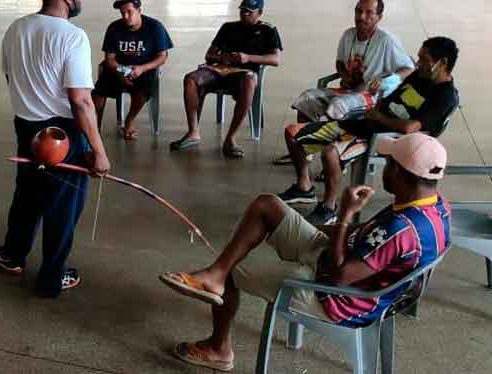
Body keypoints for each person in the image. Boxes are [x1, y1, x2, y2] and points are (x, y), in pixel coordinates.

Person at [159, 133, 451, 372]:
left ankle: (218, 348)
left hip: (338, 296)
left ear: (400, 172)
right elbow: (373, 247)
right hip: (343, 259)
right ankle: (215, 274)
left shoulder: (401, 230)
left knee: (237, 268)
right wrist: (330, 230)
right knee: (267, 206)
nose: (383, 166)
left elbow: (339, 278)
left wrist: (346, 214)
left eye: (388, 162)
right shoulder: (435, 206)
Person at [0, 0, 111, 298]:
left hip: (26, 127)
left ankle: (13, 256)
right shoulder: (73, 37)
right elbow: (81, 101)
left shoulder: (16, 29)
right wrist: (98, 150)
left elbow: (9, 77)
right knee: (62, 206)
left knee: (27, 195)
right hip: (64, 133)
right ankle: (52, 277)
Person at [277, 37, 459, 224]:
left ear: (442, 63)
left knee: (330, 153)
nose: (418, 63)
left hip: (386, 138)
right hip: (365, 124)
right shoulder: (418, 76)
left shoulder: (444, 96)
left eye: (424, 59)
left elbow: (410, 128)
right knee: (293, 133)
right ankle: (304, 187)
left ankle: (329, 208)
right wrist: (374, 105)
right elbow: (389, 98)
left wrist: (379, 117)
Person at [170, 0, 282, 159]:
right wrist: (223, 58)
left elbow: (275, 59)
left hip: (244, 74)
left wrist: (248, 58)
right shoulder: (228, 27)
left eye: (249, 12)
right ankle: (193, 132)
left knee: (250, 82)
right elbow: (209, 54)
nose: (245, 14)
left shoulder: (268, 30)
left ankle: (230, 138)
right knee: (191, 79)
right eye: (242, 11)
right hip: (221, 69)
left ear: (260, 13)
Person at [287, 0, 413, 127]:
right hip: (348, 91)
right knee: (306, 98)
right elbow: (340, 62)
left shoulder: (386, 40)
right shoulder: (348, 35)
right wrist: (344, 75)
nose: (362, 17)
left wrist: (386, 81)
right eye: (358, 11)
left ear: (379, 17)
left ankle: (331, 140)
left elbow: (408, 69)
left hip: (373, 96)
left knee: (338, 105)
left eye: (369, 12)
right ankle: (306, 138)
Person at [91, 0, 173, 140]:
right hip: (118, 69)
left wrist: (141, 69)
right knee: (97, 93)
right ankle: (93, 128)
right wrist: (120, 72)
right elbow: (109, 59)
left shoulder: (155, 27)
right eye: (122, 13)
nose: (125, 16)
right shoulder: (114, 28)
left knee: (142, 92)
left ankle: (129, 121)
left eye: (130, 12)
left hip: (144, 69)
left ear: (139, 10)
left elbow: (162, 56)